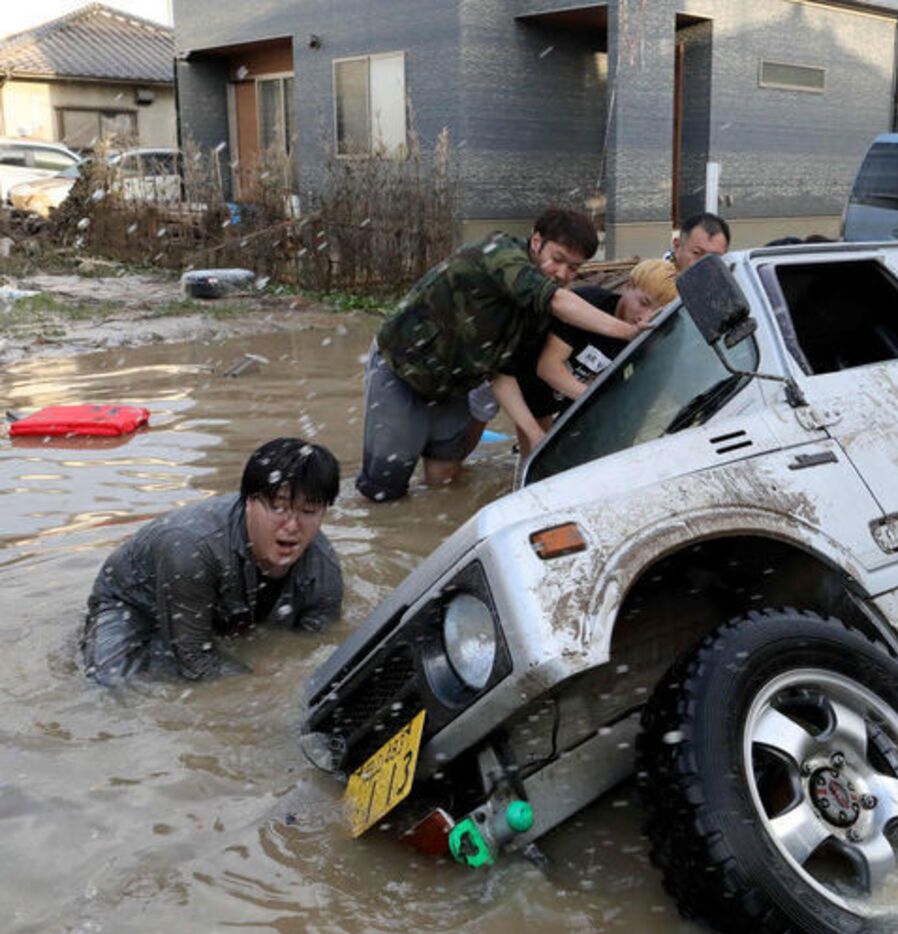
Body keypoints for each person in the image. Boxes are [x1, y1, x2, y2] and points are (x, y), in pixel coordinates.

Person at [357, 207, 649, 500]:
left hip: (456, 382)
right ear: (536, 242)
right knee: (384, 488)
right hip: (401, 366)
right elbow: (558, 301)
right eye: (558, 259)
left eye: (573, 268)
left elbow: (503, 376)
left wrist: (536, 436)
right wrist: (629, 332)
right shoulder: (500, 254)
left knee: (444, 478)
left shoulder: (537, 313)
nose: (562, 273)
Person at [80, 438, 343, 685]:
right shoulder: (190, 547)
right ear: (248, 502)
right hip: (135, 603)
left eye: (309, 511)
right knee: (110, 683)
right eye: (278, 507)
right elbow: (194, 660)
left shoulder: (324, 570)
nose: (293, 526)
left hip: (223, 607)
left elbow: (316, 647)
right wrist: (262, 687)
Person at [493, 259, 679, 451]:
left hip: (564, 396)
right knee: (525, 445)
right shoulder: (588, 304)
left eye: (656, 313)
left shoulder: (649, 336)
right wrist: (598, 400)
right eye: (643, 303)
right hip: (518, 379)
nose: (645, 317)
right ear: (628, 285)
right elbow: (548, 368)